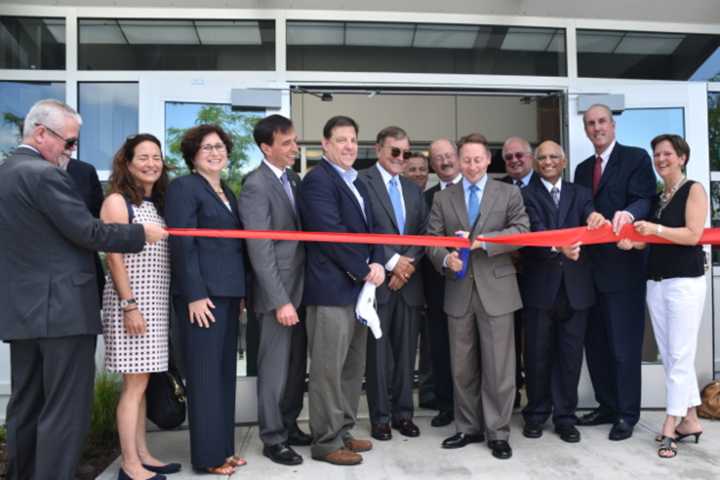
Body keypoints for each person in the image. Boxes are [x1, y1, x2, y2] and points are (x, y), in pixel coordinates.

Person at [0, 99, 166, 480]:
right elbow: (87, 231)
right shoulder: (42, 174)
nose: (71, 152)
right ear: (41, 133)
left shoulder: (6, 172)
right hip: (62, 312)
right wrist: (140, 233)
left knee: (26, 404)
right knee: (64, 410)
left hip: (23, 311)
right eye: (69, 142)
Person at [427, 133, 529, 460]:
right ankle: (467, 427)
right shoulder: (444, 198)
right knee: (462, 368)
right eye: (465, 160)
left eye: (477, 159)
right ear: (458, 161)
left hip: (497, 290)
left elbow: (522, 232)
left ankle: (498, 433)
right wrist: (445, 258)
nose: (471, 166)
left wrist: (482, 241)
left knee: (499, 368)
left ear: (488, 160)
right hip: (458, 290)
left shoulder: (508, 192)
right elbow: (431, 240)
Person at [297, 115, 384, 466]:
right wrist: (364, 269)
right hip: (331, 290)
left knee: (351, 367)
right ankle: (325, 440)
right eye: (341, 140)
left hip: (359, 292)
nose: (349, 146)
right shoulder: (317, 181)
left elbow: (373, 229)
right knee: (327, 369)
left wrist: (378, 262)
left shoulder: (357, 182)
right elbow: (330, 233)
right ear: (326, 144)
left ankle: (344, 429)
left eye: (353, 139)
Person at [617, 134, 708, 458]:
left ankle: (670, 424)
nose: (661, 159)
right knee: (671, 355)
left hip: (685, 282)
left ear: (682, 157)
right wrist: (634, 242)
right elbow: (651, 239)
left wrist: (654, 231)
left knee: (680, 356)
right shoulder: (659, 197)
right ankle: (692, 420)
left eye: (667, 154)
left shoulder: (693, 189)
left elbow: (693, 234)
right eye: (656, 155)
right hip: (656, 282)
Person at [165, 124, 247, 475]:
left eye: (219, 147)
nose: (215, 153)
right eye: (206, 148)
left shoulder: (227, 190)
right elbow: (183, 244)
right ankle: (207, 457)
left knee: (224, 375)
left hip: (228, 295)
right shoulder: (184, 188)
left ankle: (224, 449)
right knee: (205, 377)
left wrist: (241, 293)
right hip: (203, 299)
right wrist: (195, 295)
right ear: (193, 155)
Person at [573, 104, 657, 441]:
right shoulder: (581, 170)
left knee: (624, 348)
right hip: (588, 273)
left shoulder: (635, 159)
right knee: (596, 347)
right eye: (590, 123)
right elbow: (581, 206)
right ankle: (606, 405)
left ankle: (626, 414)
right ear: (586, 129)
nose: (597, 128)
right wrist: (591, 213)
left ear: (613, 125)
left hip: (624, 272)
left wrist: (627, 213)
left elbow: (645, 199)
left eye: (602, 121)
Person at [101, 133, 180, 480]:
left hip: (155, 303)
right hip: (132, 304)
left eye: (156, 157)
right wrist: (129, 305)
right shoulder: (119, 202)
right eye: (143, 157)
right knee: (133, 385)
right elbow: (114, 259)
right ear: (128, 163)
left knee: (142, 382)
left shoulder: (157, 203)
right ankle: (129, 465)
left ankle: (143, 453)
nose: (151, 163)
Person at [519, 140, 606, 444]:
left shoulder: (581, 193)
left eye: (554, 156)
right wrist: (559, 248)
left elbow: (590, 217)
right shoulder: (524, 194)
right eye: (542, 157)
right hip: (540, 289)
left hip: (576, 290)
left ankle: (565, 417)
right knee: (537, 357)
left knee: (570, 358)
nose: (548, 162)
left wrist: (595, 219)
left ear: (564, 160)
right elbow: (534, 232)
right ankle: (536, 415)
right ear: (534, 161)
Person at [238, 114, 310, 466]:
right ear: (266, 147)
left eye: (294, 140)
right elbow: (260, 249)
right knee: (275, 369)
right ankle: (272, 437)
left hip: (301, 289)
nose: (294, 147)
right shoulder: (256, 185)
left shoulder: (293, 180)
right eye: (287, 143)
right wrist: (280, 300)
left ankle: (289, 423)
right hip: (277, 295)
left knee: (296, 368)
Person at [360, 126, 427, 441]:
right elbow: (359, 231)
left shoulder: (413, 190)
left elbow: (423, 234)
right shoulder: (361, 182)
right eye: (394, 152)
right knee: (378, 356)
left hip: (408, 284)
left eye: (406, 152)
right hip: (377, 283)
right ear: (378, 149)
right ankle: (381, 418)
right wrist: (391, 263)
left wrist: (406, 267)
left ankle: (404, 414)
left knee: (404, 356)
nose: (401, 158)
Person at [421, 138, 462, 428]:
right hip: (438, 286)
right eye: (439, 158)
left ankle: (473, 406)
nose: (445, 161)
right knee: (442, 349)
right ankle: (447, 406)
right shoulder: (425, 198)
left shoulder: (475, 191)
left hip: (474, 284)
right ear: (432, 165)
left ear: (458, 157)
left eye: (449, 156)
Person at [497, 136, 536, 408]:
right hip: (501, 277)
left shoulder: (545, 184)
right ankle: (510, 399)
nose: (514, 160)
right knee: (506, 343)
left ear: (531, 156)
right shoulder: (496, 188)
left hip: (538, 277)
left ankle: (536, 401)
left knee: (534, 343)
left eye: (519, 155)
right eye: (508, 157)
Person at [66, 157, 106, 300]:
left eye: (73, 142)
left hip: (83, 270)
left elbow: (98, 218)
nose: (70, 147)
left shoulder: (84, 171)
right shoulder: (17, 170)